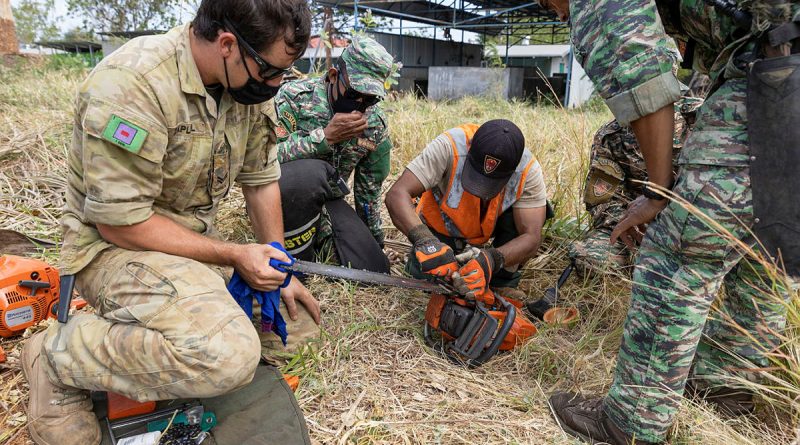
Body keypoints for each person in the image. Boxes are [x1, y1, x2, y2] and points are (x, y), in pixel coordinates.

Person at [21, 1, 318, 444]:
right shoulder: (133, 85)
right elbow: (121, 225)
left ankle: (160, 330)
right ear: (227, 44)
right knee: (227, 357)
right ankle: (57, 356)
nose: (275, 84)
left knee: (296, 332)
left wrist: (277, 263)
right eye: (270, 71)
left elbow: (260, 180)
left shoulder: (241, 86)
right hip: (113, 251)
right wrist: (234, 254)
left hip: (187, 248)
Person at [537, 0, 797, 444]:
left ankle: (631, 422)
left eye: (549, 5)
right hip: (786, 78)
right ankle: (724, 390)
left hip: (770, 79)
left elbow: (640, 72)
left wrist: (657, 192)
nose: (557, 15)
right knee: (766, 249)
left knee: (679, 252)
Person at [385, 119, 548, 301]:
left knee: (533, 215)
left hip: (490, 225)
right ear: (469, 148)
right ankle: (437, 251)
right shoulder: (449, 146)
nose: (482, 194)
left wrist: (492, 260)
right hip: (442, 223)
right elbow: (397, 195)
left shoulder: (528, 170)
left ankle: (501, 282)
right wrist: (425, 241)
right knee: (429, 279)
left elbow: (531, 236)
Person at [274, 36, 397, 273]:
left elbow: (368, 193)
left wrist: (374, 243)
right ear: (333, 76)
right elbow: (263, 160)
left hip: (328, 201)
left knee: (372, 267)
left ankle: (322, 241)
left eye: (370, 99)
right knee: (312, 172)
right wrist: (324, 138)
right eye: (354, 93)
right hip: (283, 197)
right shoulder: (294, 98)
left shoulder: (374, 124)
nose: (360, 103)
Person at [569, 95, 703, 275]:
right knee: (591, 258)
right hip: (636, 226)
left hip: (696, 225)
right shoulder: (613, 136)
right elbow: (604, 201)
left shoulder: (703, 117)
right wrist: (633, 226)